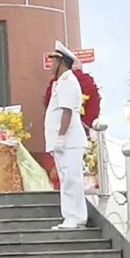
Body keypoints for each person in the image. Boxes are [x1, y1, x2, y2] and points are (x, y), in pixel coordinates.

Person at [45, 40, 88, 229]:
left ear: (61, 62)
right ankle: (72, 216)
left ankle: (75, 217)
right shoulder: (61, 83)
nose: (51, 65)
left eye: (54, 61)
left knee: (71, 178)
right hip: (64, 140)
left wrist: (61, 137)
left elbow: (67, 111)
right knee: (67, 178)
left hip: (69, 140)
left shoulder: (68, 82)